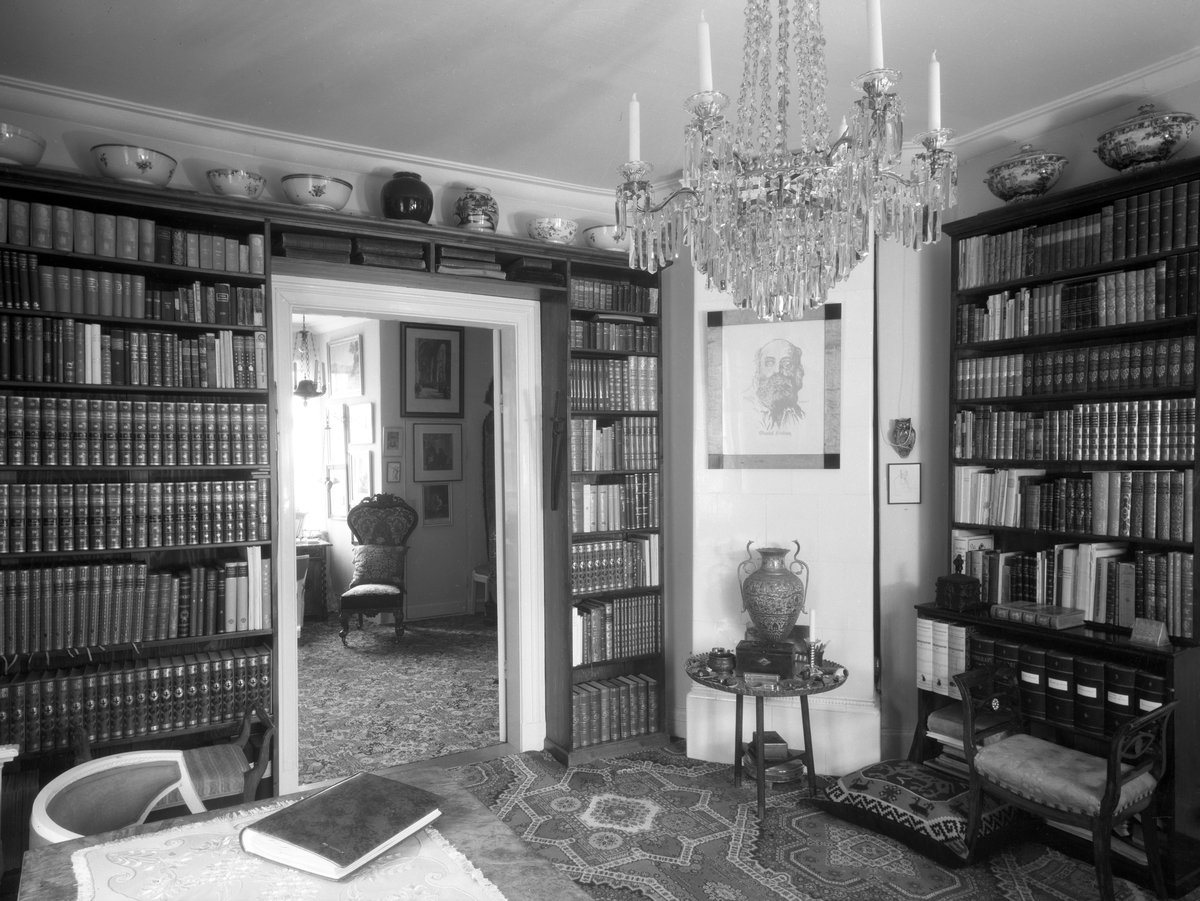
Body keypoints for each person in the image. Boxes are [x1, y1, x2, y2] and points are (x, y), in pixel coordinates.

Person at [748, 337, 805, 431]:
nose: (777, 370)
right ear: (759, 370)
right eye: (770, 363)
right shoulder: (746, 411)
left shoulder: (801, 417)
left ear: (797, 371)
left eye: (787, 363)